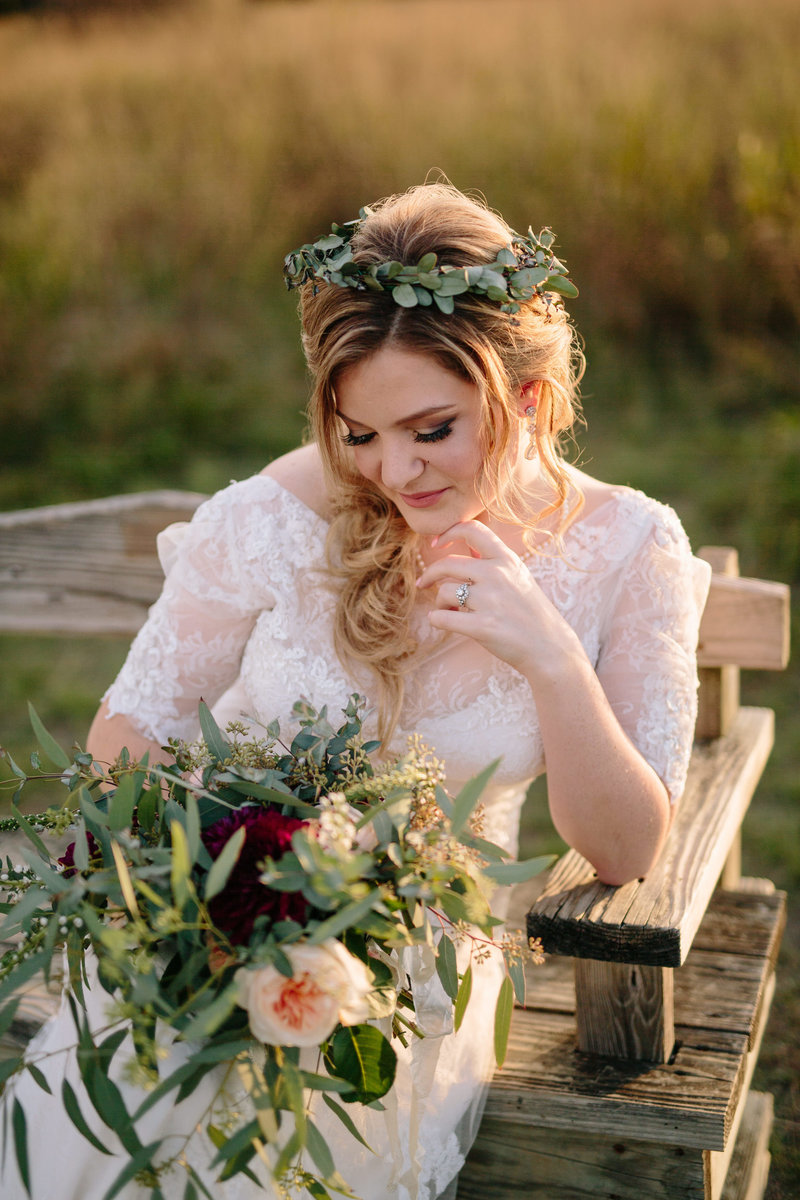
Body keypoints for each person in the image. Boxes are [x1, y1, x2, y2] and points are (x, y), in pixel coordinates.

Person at [0, 183, 710, 1199]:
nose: (392, 472)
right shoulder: (265, 519)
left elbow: (625, 847)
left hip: (425, 954)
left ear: (522, 393)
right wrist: (215, 878)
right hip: (219, 906)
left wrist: (550, 656)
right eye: (360, 433)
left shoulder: (628, 547)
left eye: (431, 429)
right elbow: (130, 735)